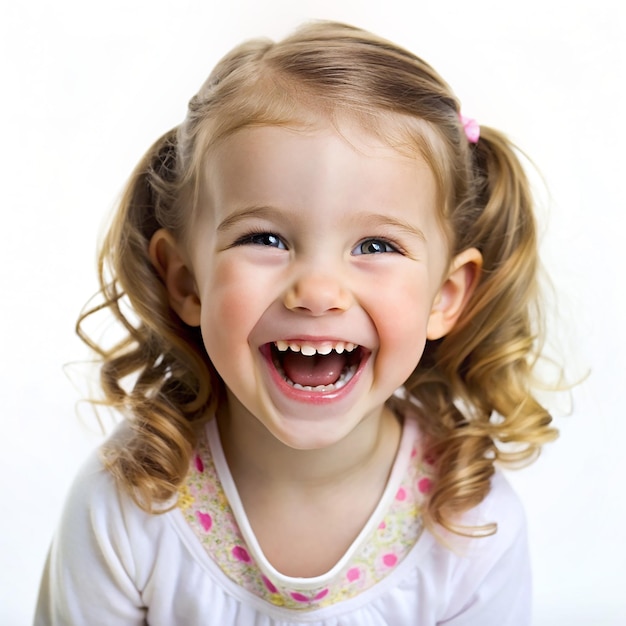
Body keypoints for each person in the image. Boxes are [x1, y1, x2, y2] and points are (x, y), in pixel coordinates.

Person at [34, 20, 559, 625]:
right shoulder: (128, 504)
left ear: (443, 296)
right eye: (265, 237)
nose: (317, 291)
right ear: (186, 281)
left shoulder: (471, 525)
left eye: (376, 246)